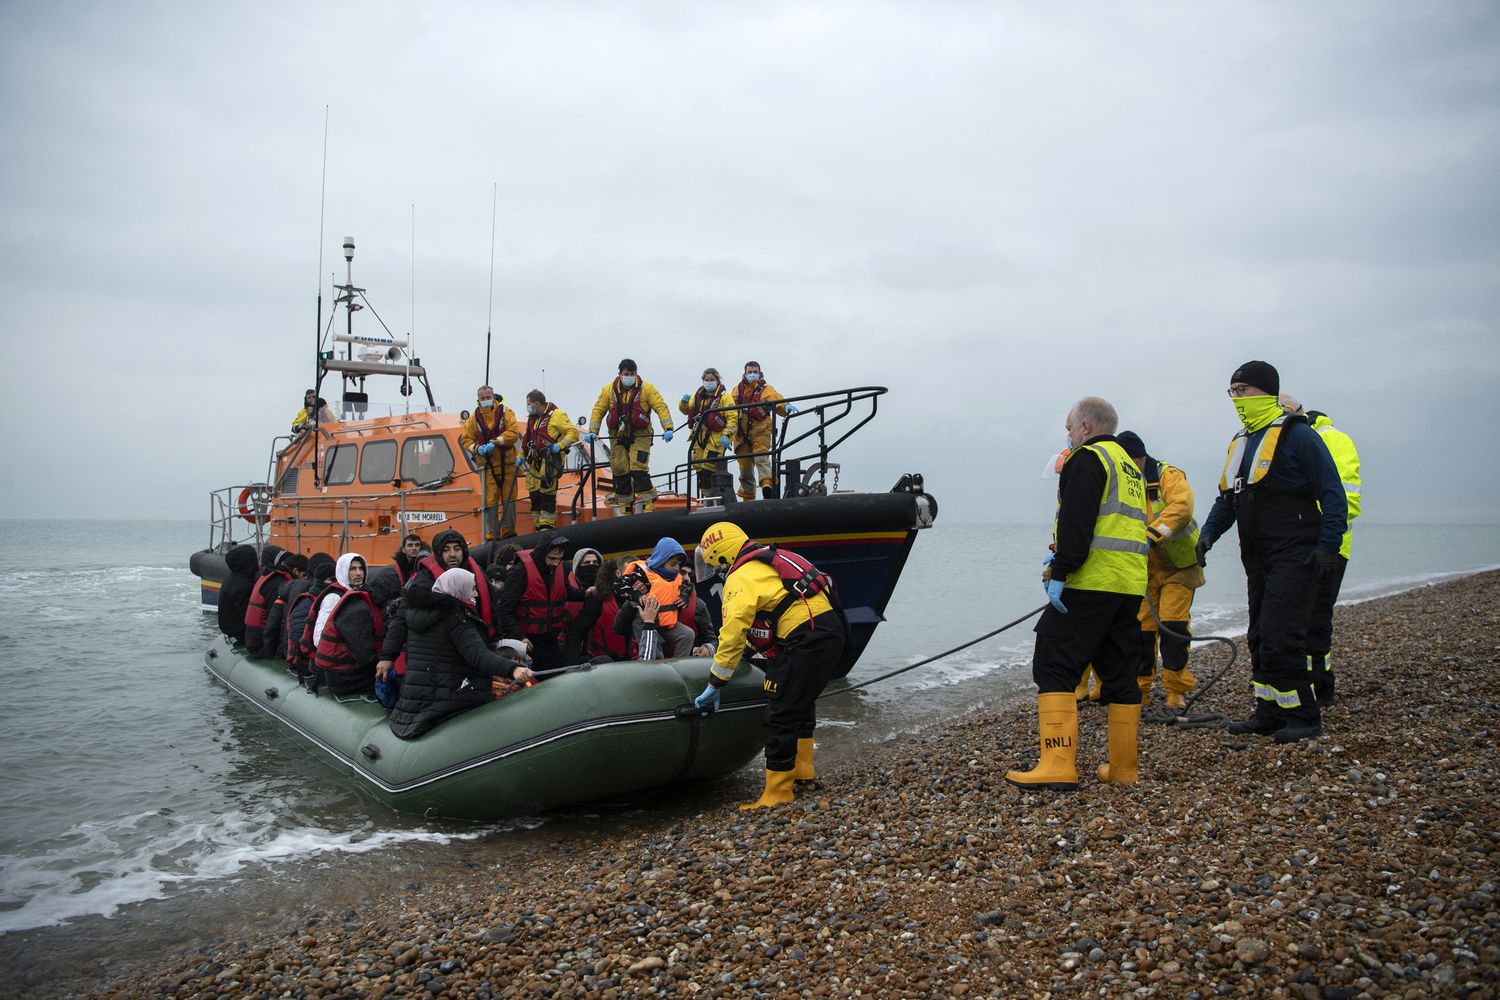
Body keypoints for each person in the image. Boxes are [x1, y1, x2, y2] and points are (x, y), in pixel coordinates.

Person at [1198, 362, 1347, 744]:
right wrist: (1208, 536)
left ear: (1265, 390)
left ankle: (1303, 716)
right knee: (1260, 636)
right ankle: (1268, 710)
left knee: (1284, 635)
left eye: (1242, 390)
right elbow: (1227, 500)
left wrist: (1328, 547)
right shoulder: (1242, 443)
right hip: (1258, 557)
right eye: (1231, 391)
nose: (1236, 399)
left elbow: (1333, 494)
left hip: (1297, 553)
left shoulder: (1299, 436)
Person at [1007, 396, 1150, 791]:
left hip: (1090, 582)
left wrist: (1062, 569)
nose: (1068, 436)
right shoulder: (1130, 467)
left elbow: (1078, 521)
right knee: (1120, 672)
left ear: (1085, 427)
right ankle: (1123, 769)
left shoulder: (1087, 459)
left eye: (1069, 428)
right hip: (1128, 585)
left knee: (1053, 662)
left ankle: (1057, 763)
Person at [693, 521, 850, 809]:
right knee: (800, 703)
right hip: (832, 630)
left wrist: (716, 681)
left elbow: (732, 631)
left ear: (721, 557)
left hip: (806, 636)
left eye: (714, 564)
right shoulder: (771, 558)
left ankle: (777, 793)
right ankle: (803, 774)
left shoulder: (740, 577)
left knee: (780, 712)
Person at [388, 568, 537, 739]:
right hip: (448, 694)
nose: (475, 594)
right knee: (515, 691)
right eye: (472, 589)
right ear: (459, 590)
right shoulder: (456, 618)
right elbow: (477, 655)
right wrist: (513, 669)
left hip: (416, 697)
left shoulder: (419, 617)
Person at [1280, 394, 1362, 706]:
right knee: (1295, 621)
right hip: (1296, 546)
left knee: (1315, 620)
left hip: (1328, 547)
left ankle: (1320, 687)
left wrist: (1308, 529)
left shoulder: (1331, 439)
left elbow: (1345, 498)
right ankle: (1302, 686)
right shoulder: (1284, 440)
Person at [1115, 431, 1205, 711]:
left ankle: (1176, 689)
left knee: (1173, 625)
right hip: (1143, 570)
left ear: (1137, 459)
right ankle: (1140, 688)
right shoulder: (1122, 483)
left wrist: (1152, 535)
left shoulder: (1168, 475)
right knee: (1141, 631)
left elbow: (1182, 507)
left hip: (1179, 566)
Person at [586, 358, 675, 514]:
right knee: (619, 468)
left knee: (637, 466)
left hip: (641, 435)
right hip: (617, 435)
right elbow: (598, 409)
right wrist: (593, 431)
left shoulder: (647, 388)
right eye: (626, 373)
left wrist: (668, 427)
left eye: (632, 373)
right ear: (620, 374)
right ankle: (625, 505)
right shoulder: (608, 390)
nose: (629, 376)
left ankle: (648, 501)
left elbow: (660, 406)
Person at [311, 562, 395, 698]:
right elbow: (318, 639)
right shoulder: (340, 600)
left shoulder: (357, 598)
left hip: (344, 671)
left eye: (361, 568)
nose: (359, 573)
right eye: (353, 569)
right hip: (344, 675)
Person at [495, 534, 576, 670]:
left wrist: (586, 593)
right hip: (527, 641)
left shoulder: (558, 570)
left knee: (555, 673)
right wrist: (519, 637)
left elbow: (567, 592)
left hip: (550, 639)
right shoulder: (519, 572)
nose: (556, 563)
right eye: (552, 559)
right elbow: (505, 610)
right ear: (542, 554)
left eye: (559, 559)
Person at [403, 529, 497, 638]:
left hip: (480, 637)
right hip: (445, 641)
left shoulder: (477, 572)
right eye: (446, 550)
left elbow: (493, 604)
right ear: (438, 554)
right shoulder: (425, 579)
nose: (452, 554)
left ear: (464, 551)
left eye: (457, 549)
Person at [731, 361, 799, 501]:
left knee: (761, 457)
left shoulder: (765, 389)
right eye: (749, 372)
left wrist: (785, 406)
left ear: (760, 373)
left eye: (755, 371)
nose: (752, 374)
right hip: (741, 434)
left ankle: (767, 486)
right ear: (744, 373)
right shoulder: (736, 390)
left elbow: (776, 399)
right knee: (745, 469)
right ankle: (748, 498)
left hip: (760, 429)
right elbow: (729, 410)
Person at [460, 386, 521, 540]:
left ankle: (508, 533)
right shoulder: (473, 418)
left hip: (507, 464)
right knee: (490, 501)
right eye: (483, 398)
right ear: (478, 400)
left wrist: (496, 442)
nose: (486, 400)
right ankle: (491, 535)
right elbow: (466, 439)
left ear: (494, 397)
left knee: (510, 499)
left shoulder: (507, 413)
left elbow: (513, 433)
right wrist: (477, 448)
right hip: (487, 466)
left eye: (488, 397)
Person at [621, 538, 698, 657]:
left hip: (666, 623)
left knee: (688, 635)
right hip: (644, 622)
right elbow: (619, 586)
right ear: (661, 561)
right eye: (673, 564)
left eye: (679, 564)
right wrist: (637, 594)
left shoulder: (676, 577)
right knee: (657, 655)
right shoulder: (642, 574)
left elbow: (688, 586)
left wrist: (684, 597)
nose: (677, 568)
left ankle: (678, 669)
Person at [516, 389, 579, 531]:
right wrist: (520, 455)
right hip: (534, 463)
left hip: (549, 462)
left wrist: (560, 445)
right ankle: (538, 527)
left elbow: (573, 433)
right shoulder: (533, 419)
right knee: (535, 496)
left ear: (537, 404)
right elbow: (527, 439)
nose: (528, 407)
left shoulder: (557, 415)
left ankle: (546, 527)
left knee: (547, 496)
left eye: (529, 404)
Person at [679, 368, 739, 497]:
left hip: (716, 438)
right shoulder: (698, 395)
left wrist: (726, 434)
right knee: (698, 468)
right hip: (698, 437)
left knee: (708, 468)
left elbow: (732, 416)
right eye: (707, 380)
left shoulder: (725, 397)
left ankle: (712, 500)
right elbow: (687, 410)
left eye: (712, 380)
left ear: (717, 380)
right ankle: (708, 499)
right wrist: (683, 402)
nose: (709, 382)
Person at [245, 549, 307, 658]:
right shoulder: (280, 585)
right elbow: (275, 623)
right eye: (304, 575)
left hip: (253, 637)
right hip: (261, 643)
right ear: (296, 571)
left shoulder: (269, 575)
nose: (305, 579)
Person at [284, 555, 336, 673]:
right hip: (309, 663)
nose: (334, 583)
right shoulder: (307, 602)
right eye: (331, 580)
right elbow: (298, 635)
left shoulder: (333, 598)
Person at [265, 553, 319, 661]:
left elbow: (271, 627)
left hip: (282, 650)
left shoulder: (282, 588)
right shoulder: (302, 592)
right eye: (304, 576)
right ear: (296, 571)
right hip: (288, 652)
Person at [562, 548, 605, 663]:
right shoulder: (566, 589)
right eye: (586, 563)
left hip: (599, 651)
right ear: (577, 566)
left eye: (595, 563)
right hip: (566, 646)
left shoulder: (606, 590)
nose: (592, 566)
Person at [216, 543, 260, 646]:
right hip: (239, 633)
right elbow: (248, 614)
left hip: (232, 630)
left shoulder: (234, 578)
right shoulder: (244, 586)